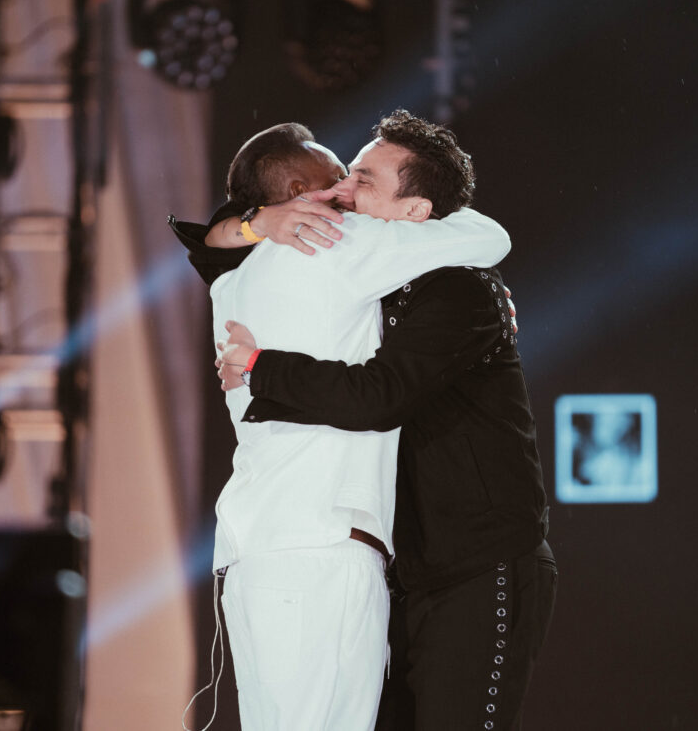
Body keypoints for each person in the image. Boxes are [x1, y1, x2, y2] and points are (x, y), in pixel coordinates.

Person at [212, 110, 557, 731]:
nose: (343, 192)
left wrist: (260, 365)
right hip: (389, 563)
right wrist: (259, 221)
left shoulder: (456, 287)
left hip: (477, 565)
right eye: (342, 178)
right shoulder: (346, 261)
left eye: (362, 179)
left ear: (415, 212)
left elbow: (380, 396)